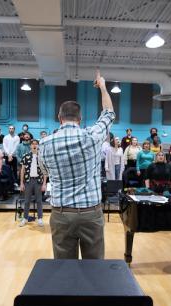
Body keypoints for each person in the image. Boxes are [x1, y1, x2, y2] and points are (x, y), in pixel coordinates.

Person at [39, 69, 115, 259]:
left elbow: (45, 171)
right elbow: (109, 114)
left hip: (61, 215)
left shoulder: (44, 143)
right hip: (91, 214)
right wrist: (103, 87)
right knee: (94, 267)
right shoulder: (92, 136)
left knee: (64, 268)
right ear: (80, 119)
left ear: (59, 118)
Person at [19, 139, 47, 227]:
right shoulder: (25, 156)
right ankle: (25, 218)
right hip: (28, 181)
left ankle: (40, 218)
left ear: (38, 146)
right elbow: (22, 170)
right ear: (30, 146)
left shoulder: (42, 157)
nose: (34, 145)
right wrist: (21, 183)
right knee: (27, 201)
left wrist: (44, 183)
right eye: (33, 144)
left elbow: (45, 171)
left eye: (36, 144)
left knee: (39, 200)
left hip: (38, 181)